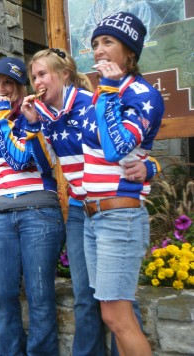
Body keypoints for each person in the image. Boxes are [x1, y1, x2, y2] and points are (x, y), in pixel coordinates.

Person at [21, 47, 159, 356]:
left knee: (120, 301)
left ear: (64, 75)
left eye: (43, 74)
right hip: (81, 211)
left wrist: (152, 167)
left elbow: (125, 149)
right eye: (33, 77)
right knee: (86, 295)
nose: (37, 82)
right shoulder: (44, 115)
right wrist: (32, 127)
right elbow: (46, 166)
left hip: (112, 209)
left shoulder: (90, 103)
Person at [82, 12, 164, 355]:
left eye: (108, 42)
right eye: (96, 43)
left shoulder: (141, 94)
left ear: (130, 52)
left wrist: (111, 92)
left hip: (120, 216)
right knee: (112, 314)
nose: (99, 50)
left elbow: (117, 149)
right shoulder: (105, 93)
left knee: (118, 317)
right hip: (93, 215)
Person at [0, 57, 65, 355]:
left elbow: (24, 160)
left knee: (40, 295)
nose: (0, 88)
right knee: (3, 295)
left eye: (9, 83)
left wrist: (3, 121)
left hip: (37, 213)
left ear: (19, 88)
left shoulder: (33, 115)